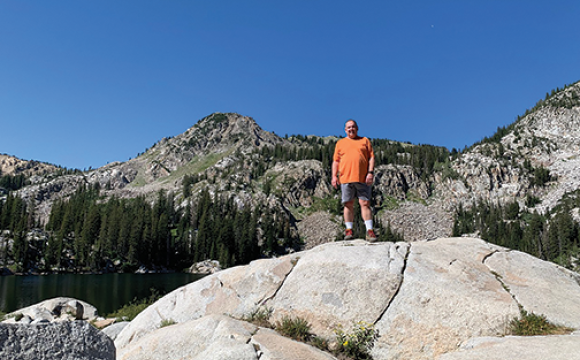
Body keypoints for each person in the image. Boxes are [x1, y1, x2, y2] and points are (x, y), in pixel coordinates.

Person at [331, 119, 377, 242]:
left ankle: (370, 231)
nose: (351, 129)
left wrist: (370, 172)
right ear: (345, 130)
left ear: (357, 128)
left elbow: (371, 158)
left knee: (365, 203)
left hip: (362, 177)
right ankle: (349, 230)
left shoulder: (365, 141)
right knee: (348, 204)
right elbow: (336, 161)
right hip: (345, 178)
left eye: (353, 127)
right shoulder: (340, 143)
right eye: (348, 127)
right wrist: (334, 176)